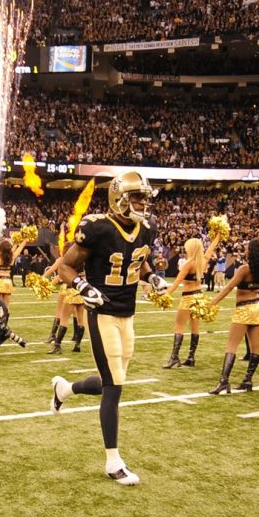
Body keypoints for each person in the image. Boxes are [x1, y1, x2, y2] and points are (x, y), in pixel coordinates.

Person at [48, 172, 167, 486]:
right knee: (114, 385)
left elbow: (140, 260)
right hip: (101, 314)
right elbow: (64, 266)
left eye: (144, 197)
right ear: (119, 197)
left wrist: (151, 276)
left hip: (128, 313)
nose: (142, 202)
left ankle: (65, 389)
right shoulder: (97, 227)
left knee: (111, 381)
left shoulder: (147, 228)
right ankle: (113, 461)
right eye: (136, 197)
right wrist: (83, 286)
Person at [206, 237, 259, 394]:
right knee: (256, 347)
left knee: (231, 345)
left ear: (252, 252)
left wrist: (211, 304)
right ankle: (247, 380)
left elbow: (227, 288)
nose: (245, 250)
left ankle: (224, 382)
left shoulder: (244, 269)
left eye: (247, 248)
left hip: (244, 309)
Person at [160, 233, 223, 368]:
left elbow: (177, 281)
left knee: (179, 326)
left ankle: (174, 357)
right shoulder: (203, 260)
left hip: (188, 297)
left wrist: (166, 294)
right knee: (195, 328)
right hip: (199, 297)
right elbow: (211, 247)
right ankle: (191, 357)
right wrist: (218, 236)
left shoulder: (188, 264)